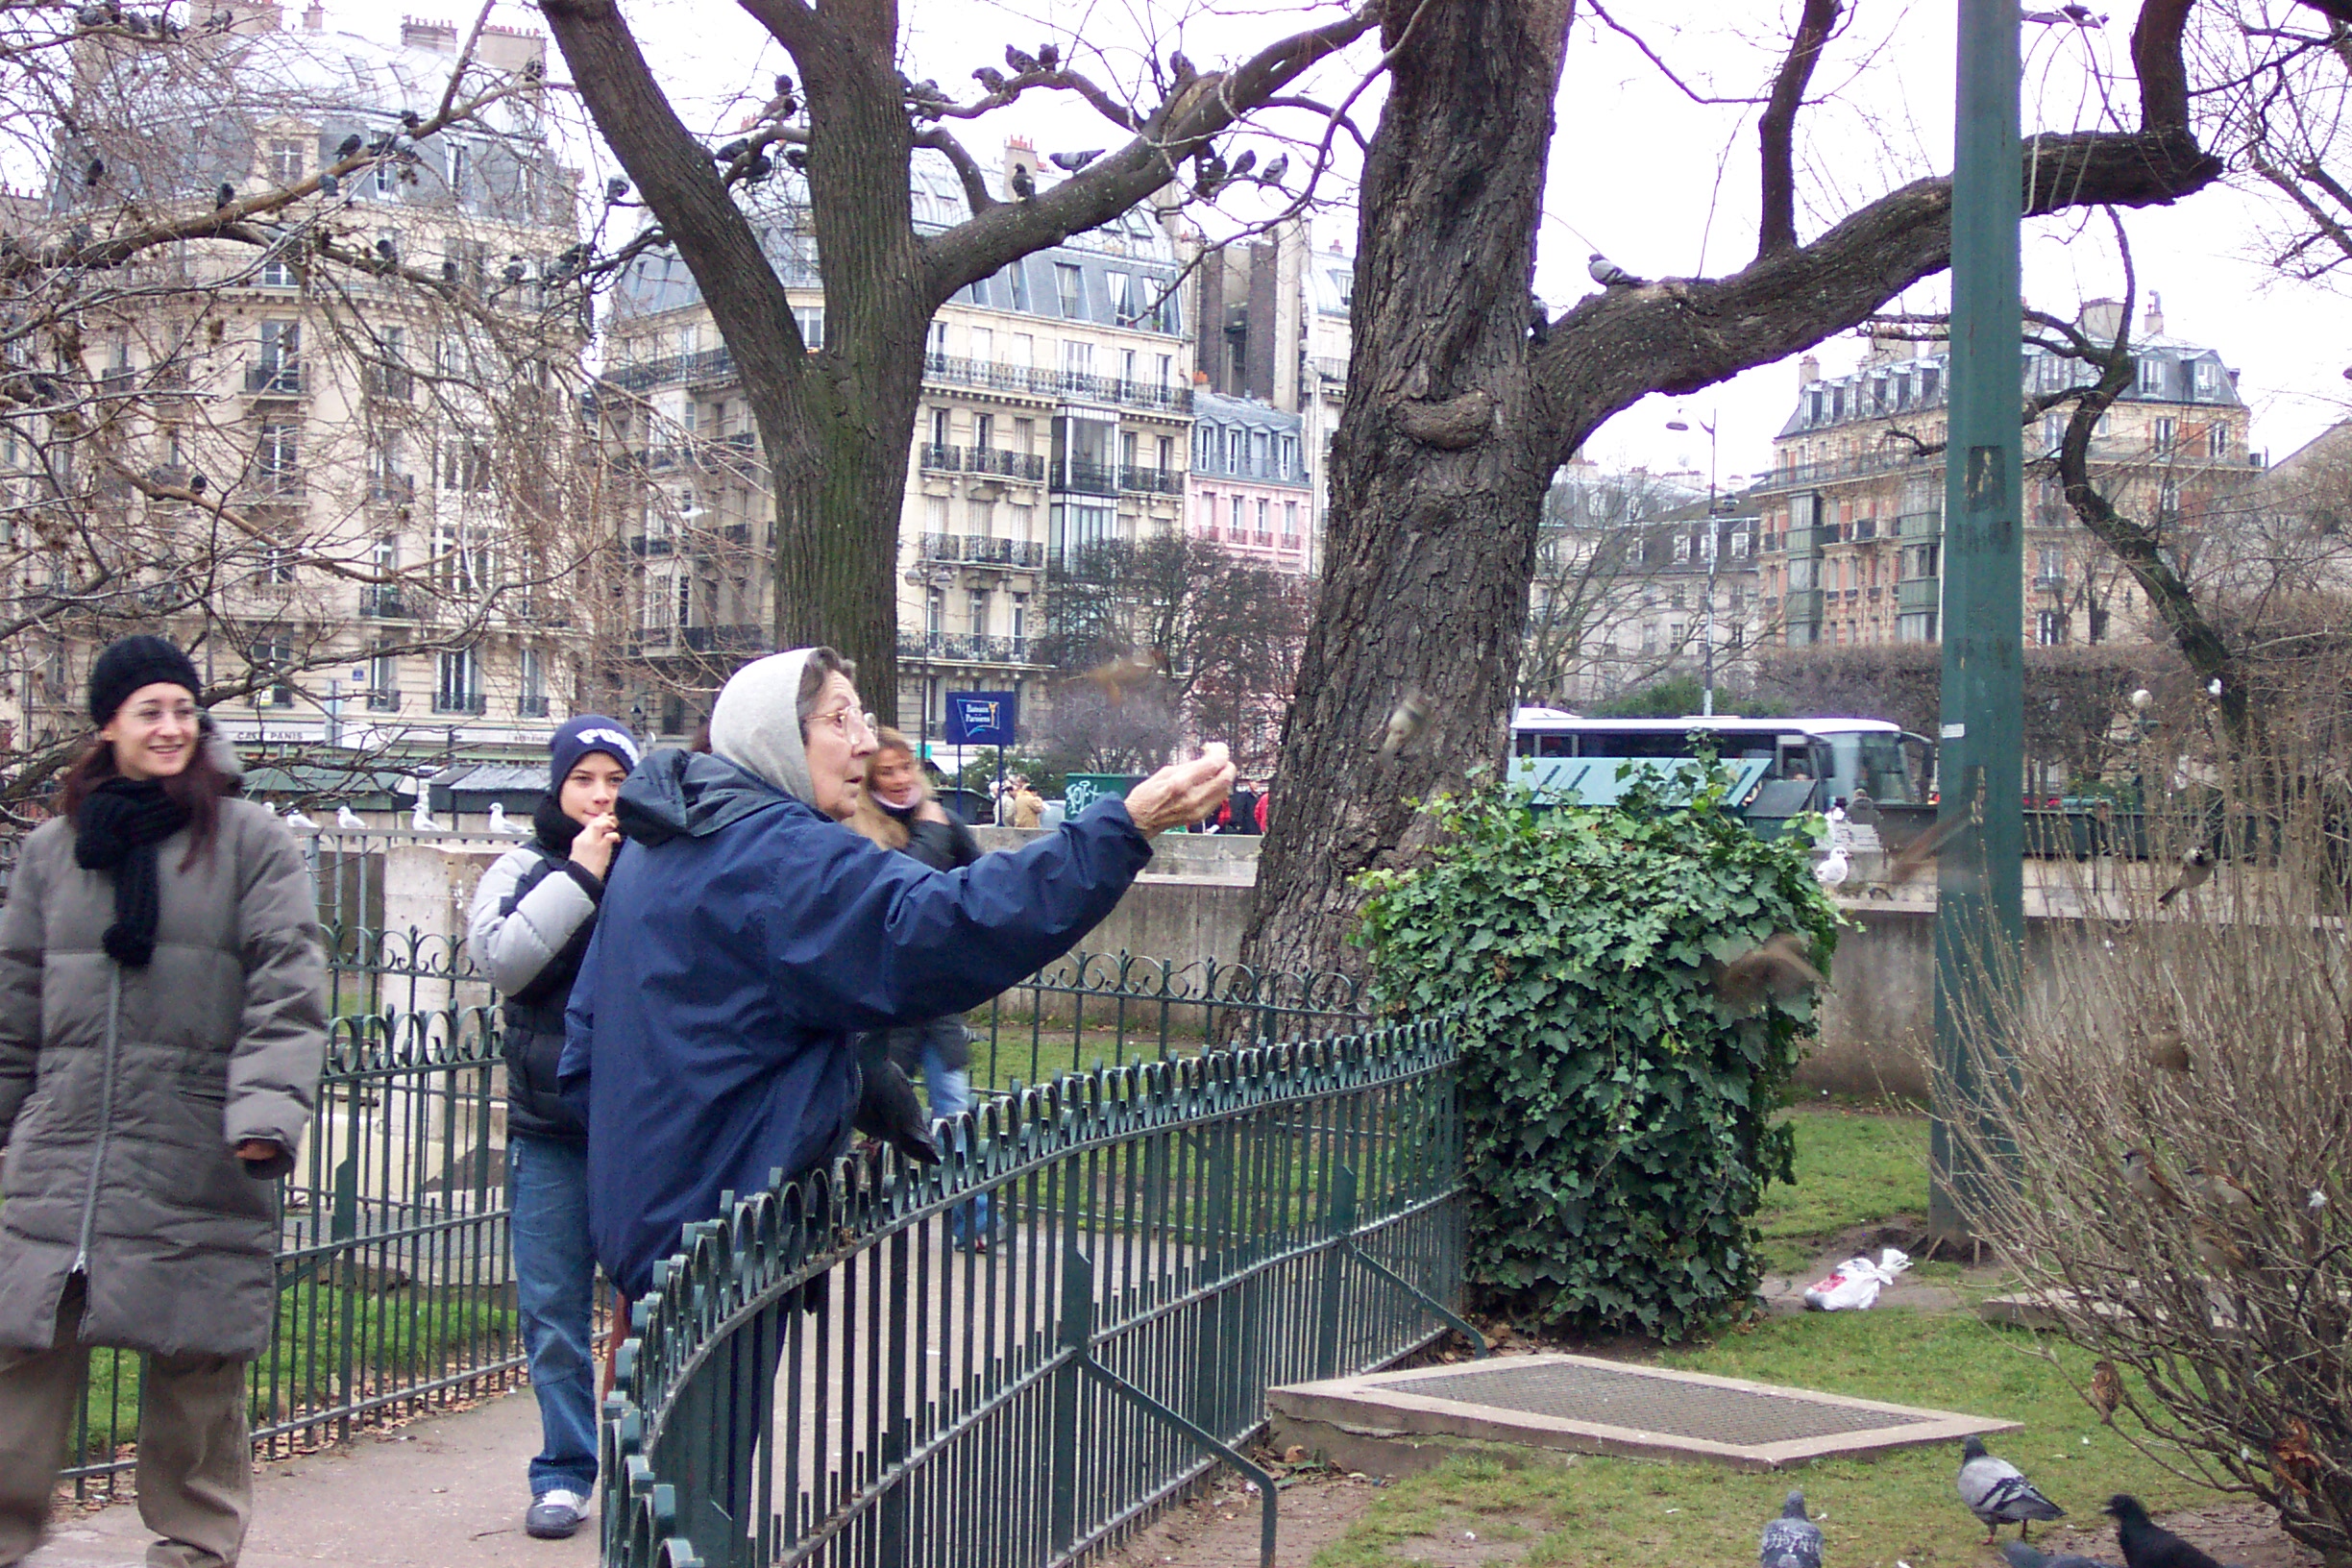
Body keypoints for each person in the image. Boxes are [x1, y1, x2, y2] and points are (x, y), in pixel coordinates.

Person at [562, 648, 1231, 1306]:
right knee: (705, 1413)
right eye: (839, 720)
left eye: (864, 719)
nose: (864, 746)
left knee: (653, 1407)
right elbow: (948, 923)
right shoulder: (781, 858)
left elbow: (594, 1037)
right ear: (776, 739)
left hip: (654, 1223)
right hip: (720, 1243)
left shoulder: (667, 842)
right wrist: (1123, 828)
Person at [0, 635, 327, 1568]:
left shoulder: (250, 841)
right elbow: (16, 995)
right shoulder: (54, 853)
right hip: (69, 1140)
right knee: (21, 1347)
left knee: (196, 1362)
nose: (173, 727)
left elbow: (288, 985)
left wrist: (265, 1113)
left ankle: (194, 1545)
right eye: (150, 711)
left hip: (197, 1142)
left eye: (184, 709)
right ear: (109, 725)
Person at [464, 715, 640, 1543]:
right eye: (584, 780)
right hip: (549, 1130)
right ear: (558, 787)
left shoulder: (658, 866)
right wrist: (579, 875)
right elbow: (502, 958)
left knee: (653, 1306)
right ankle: (565, 1471)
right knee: (554, 1314)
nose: (600, 796)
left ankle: (651, 1464)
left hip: (643, 1129)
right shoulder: (527, 866)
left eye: (614, 780)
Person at [845, 730, 992, 1247]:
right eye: (887, 771)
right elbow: (906, 884)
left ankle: (973, 1223)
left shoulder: (944, 822)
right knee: (854, 1110)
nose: (902, 779)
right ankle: (834, 1218)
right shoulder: (859, 828)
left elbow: (979, 884)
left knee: (955, 1112)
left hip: (938, 1001)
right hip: (885, 1009)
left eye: (907, 767)